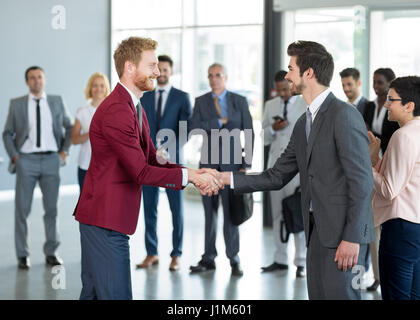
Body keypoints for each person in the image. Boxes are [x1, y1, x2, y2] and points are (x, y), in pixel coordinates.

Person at [213, 41, 374, 299]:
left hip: (344, 238)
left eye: (291, 68)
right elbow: (276, 176)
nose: (286, 75)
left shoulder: (344, 115)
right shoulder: (303, 123)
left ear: (308, 73)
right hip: (315, 231)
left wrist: (353, 237)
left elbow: (362, 182)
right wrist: (227, 178)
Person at [73, 37, 221, 300]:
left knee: (94, 295)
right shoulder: (119, 109)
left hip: (105, 220)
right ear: (130, 67)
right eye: (152, 65)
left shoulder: (135, 106)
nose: (157, 71)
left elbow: (152, 158)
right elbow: (140, 172)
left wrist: (194, 173)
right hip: (105, 222)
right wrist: (190, 178)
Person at [3, 66, 73, 269]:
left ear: (45, 79)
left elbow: (69, 127)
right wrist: (16, 157)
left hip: (52, 160)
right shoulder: (16, 104)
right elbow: (7, 133)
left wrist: (64, 152)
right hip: (26, 161)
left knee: (52, 210)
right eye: (32, 78)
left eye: (40, 77)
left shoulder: (56, 101)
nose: (36, 81)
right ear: (27, 82)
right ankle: (22, 255)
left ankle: (52, 252)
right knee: (22, 210)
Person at [188, 63, 254, 277]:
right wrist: (217, 121)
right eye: (210, 76)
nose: (213, 79)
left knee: (230, 214)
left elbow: (249, 132)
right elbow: (193, 126)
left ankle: (234, 259)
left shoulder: (239, 101)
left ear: (225, 77)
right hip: (208, 167)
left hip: (233, 167)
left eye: (217, 75)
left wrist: (246, 164)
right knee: (209, 215)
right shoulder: (201, 101)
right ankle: (209, 258)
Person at [136, 55, 192, 271]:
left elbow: (186, 131)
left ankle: (176, 254)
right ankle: (152, 252)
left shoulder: (182, 97)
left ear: (171, 71)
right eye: (158, 68)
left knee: (176, 210)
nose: (162, 72)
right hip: (148, 162)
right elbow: (139, 128)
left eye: (166, 69)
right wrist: (151, 151)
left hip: (172, 162)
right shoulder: (144, 97)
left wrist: (165, 150)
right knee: (149, 208)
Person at [369, 76, 420, 300]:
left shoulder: (403, 135)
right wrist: (374, 160)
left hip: (400, 228)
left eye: (392, 99)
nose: (386, 104)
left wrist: (364, 165)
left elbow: (389, 189)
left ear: (409, 106)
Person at [261, 70, 306, 277]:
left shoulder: (304, 103)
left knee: (297, 212)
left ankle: (301, 261)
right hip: (275, 168)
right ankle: (280, 259)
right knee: (278, 213)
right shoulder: (270, 106)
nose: (283, 94)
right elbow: (264, 138)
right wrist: (273, 128)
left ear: (291, 84)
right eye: (278, 91)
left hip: (297, 169)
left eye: (285, 89)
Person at [363, 67, 399, 292]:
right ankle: (377, 276)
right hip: (370, 166)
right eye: (374, 82)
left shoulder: (394, 110)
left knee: (387, 223)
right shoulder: (368, 106)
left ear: (390, 84)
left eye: (380, 83)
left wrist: (376, 142)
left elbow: (393, 136)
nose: (377, 87)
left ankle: (387, 274)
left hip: (388, 167)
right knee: (373, 221)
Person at [71, 72, 110, 190]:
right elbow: (74, 139)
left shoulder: (113, 110)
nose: (98, 89)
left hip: (107, 166)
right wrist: (91, 133)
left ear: (106, 88)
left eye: (102, 85)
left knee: (105, 205)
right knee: (86, 204)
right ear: (90, 88)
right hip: (85, 165)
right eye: (95, 85)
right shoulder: (82, 111)